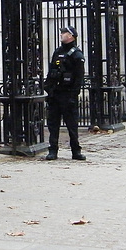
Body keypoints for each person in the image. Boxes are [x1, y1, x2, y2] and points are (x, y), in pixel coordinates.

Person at [44, 26, 86, 161]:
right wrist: (48, 88)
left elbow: (79, 78)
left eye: (64, 33)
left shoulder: (76, 55)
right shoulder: (58, 51)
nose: (61, 34)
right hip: (55, 93)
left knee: (72, 124)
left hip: (68, 94)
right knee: (53, 123)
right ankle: (53, 150)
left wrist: (74, 95)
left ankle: (76, 151)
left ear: (71, 36)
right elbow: (51, 71)